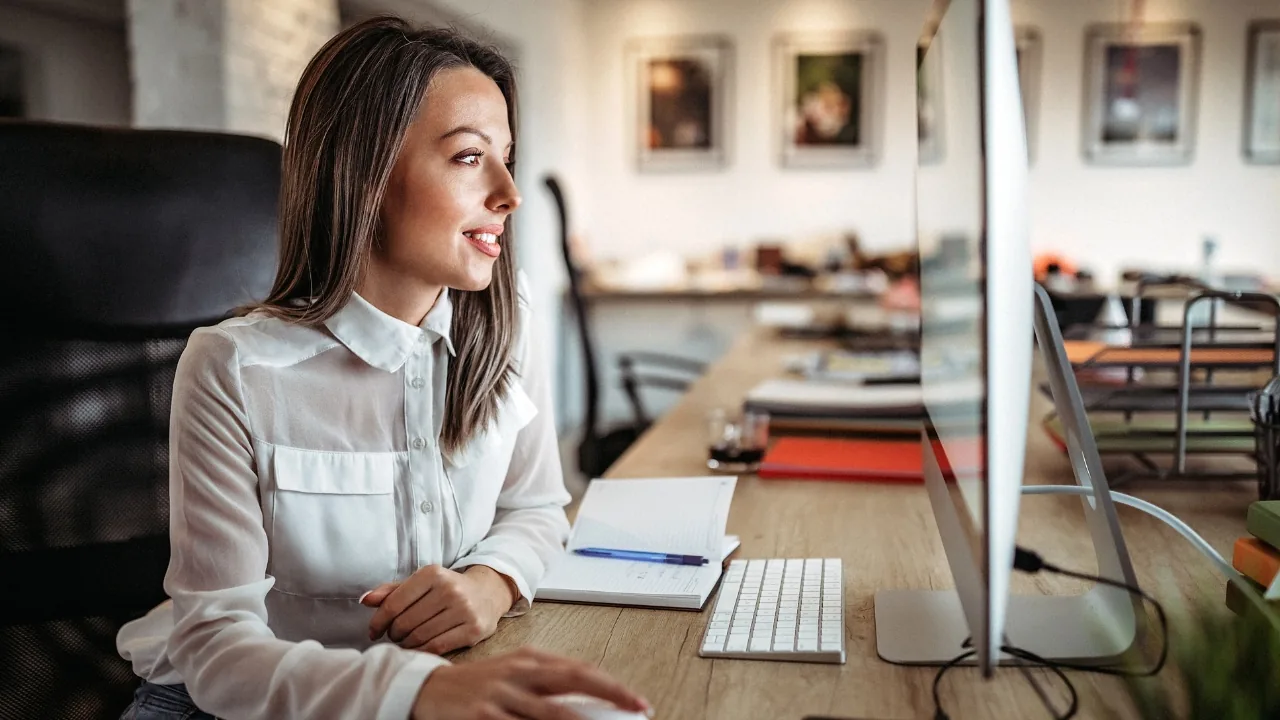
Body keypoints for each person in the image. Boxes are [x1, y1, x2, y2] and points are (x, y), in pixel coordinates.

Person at [115, 16, 649, 720]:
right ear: (364, 173)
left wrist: (491, 582)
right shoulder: (231, 369)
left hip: (445, 682)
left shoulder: (507, 322)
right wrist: (418, 691)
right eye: (468, 157)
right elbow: (217, 651)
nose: (509, 194)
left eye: (506, 157)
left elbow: (536, 507)